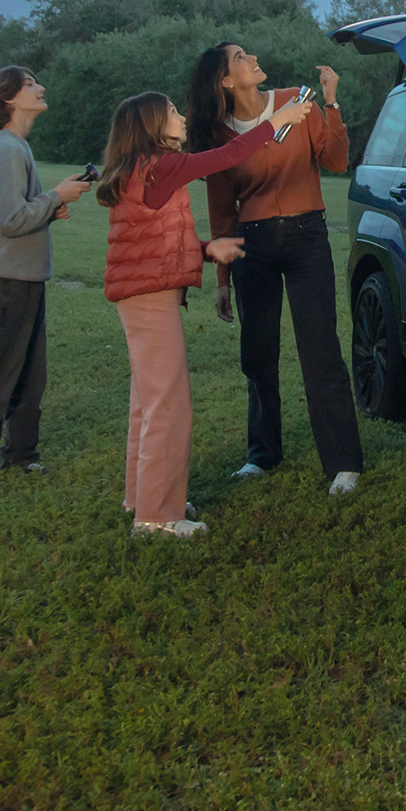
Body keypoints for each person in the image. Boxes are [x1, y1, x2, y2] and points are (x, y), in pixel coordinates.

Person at [97, 89, 311, 539]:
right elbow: (226, 155)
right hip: (151, 302)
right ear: (152, 126)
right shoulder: (164, 165)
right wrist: (278, 120)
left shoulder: (141, 171)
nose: (180, 117)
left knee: (147, 403)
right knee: (168, 406)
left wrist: (206, 250)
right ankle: (158, 517)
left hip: (140, 299)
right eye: (172, 112)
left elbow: (152, 246)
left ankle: (142, 498)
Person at [189, 43, 365, 496]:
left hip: (308, 237)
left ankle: (344, 462)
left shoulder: (297, 99)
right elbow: (221, 208)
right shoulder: (219, 135)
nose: (252, 58)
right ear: (226, 81)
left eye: (250, 53)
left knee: (320, 347)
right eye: (241, 58)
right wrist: (222, 280)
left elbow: (337, 160)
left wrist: (330, 102)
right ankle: (262, 455)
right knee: (258, 352)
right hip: (253, 245)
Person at [0, 66, 91, 480]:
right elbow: (10, 220)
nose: (41, 87)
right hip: (6, 283)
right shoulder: (8, 150)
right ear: (9, 99)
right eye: (31, 84)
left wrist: (49, 210)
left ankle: (21, 454)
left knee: (30, 376)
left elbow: (19, 216)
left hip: (24, 279)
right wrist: (55, 196)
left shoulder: (15, 146)